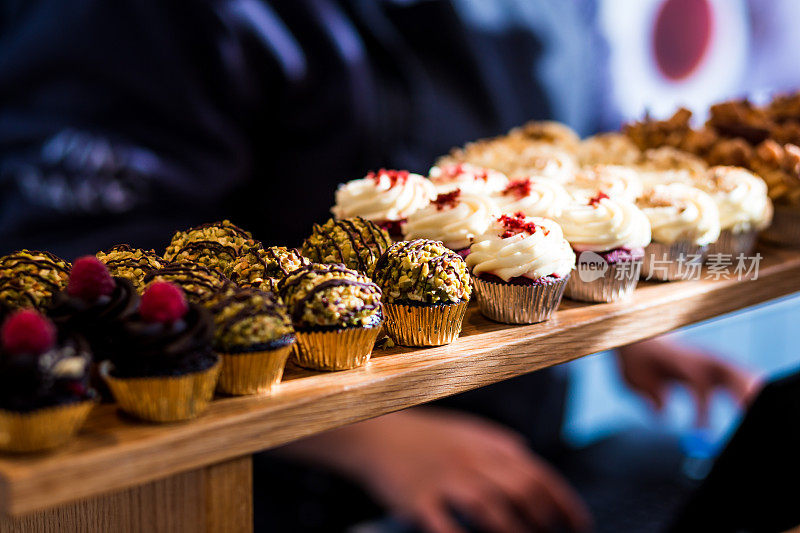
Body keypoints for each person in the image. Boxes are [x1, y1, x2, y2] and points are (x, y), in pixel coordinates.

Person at [0, 1, 762, 531]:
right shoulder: (143, 18)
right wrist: (375, 436)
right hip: (264, 485)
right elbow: (88, 274)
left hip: (519, 450)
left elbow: (571, 178)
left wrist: (621, 313)